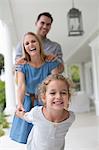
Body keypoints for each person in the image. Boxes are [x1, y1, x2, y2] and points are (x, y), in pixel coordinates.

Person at [10, 32, 60, 144]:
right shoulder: (22, 65)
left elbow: (56, 83)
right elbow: (21, 86)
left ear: (39, 44)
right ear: (24, 48)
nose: (30, 45)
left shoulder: (51, 63)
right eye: (26, 43)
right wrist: (20, 103)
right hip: (28, 103)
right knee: (30, 139)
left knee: (46, 138)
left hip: (46, 103)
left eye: (33, 41)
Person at [16, 74, 75, 150]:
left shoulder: (70, 117)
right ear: (44, 97)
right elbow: (25, 116)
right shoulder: (36, 113)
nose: (58, 97)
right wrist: (19, 113)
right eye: (53, 93)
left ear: (68, 97)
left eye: (63, 93)